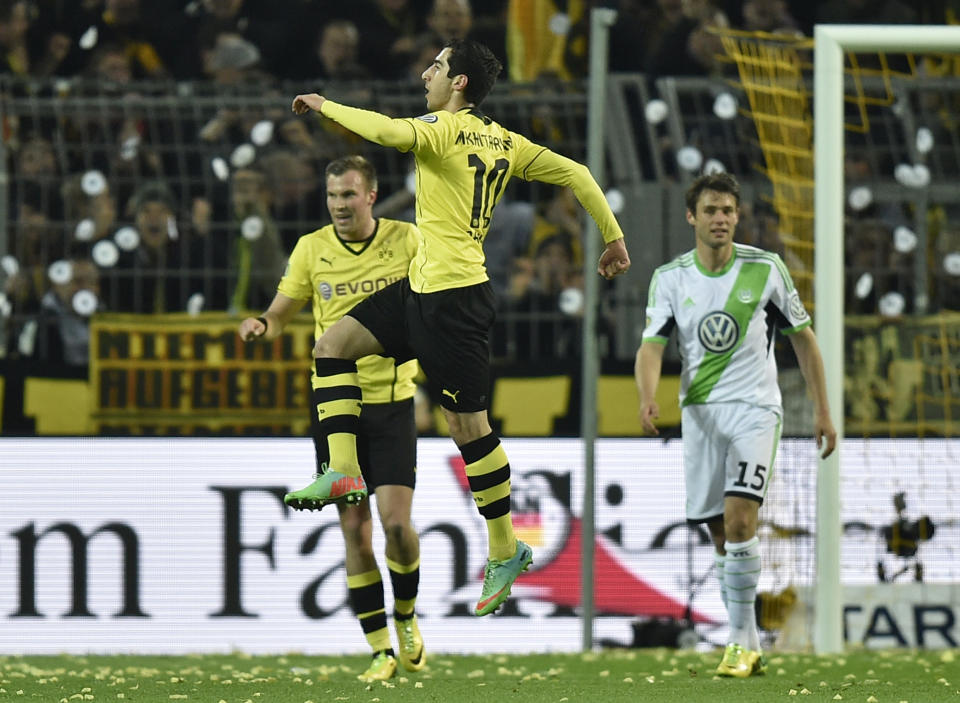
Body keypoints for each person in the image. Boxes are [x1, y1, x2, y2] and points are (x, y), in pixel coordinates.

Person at [286, 38, 631, 617]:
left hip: (456, 301)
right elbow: (577, 173)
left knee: (468, 428)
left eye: (438, 66)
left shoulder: (443, 129)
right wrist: (613, 235)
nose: (427, 74)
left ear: (460, 83)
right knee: (332, 345)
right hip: (421, 288)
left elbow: (390, 133)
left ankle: (506, 546)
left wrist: (327, 106)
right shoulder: (505, 140)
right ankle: (343, 470)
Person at [634, 172, 836, 677]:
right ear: (691, 218)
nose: (720, 219)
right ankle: (745, 638)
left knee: (743, 519)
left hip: (754, 410)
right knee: (720, 534)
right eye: (710, 211)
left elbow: (804, 341)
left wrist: (824, 411)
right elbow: (652, 346)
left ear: (737, 217)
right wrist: (646, 397)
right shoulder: (671, 278)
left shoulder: (765, 269)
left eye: (728, 211)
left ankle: (740, 643)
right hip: (700, 416)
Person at [238, 155, 424, 683]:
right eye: (332, 197)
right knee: (355, 531)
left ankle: (407, 616)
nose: (340, 205)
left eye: (349, 195)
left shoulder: (407, 241)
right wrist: (262, 324)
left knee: (396, 526)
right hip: (336, 408)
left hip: (390, 402)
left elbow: (431, 304)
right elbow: (281, 313)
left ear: (371, 195)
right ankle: (381, 650)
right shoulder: (312, 249)